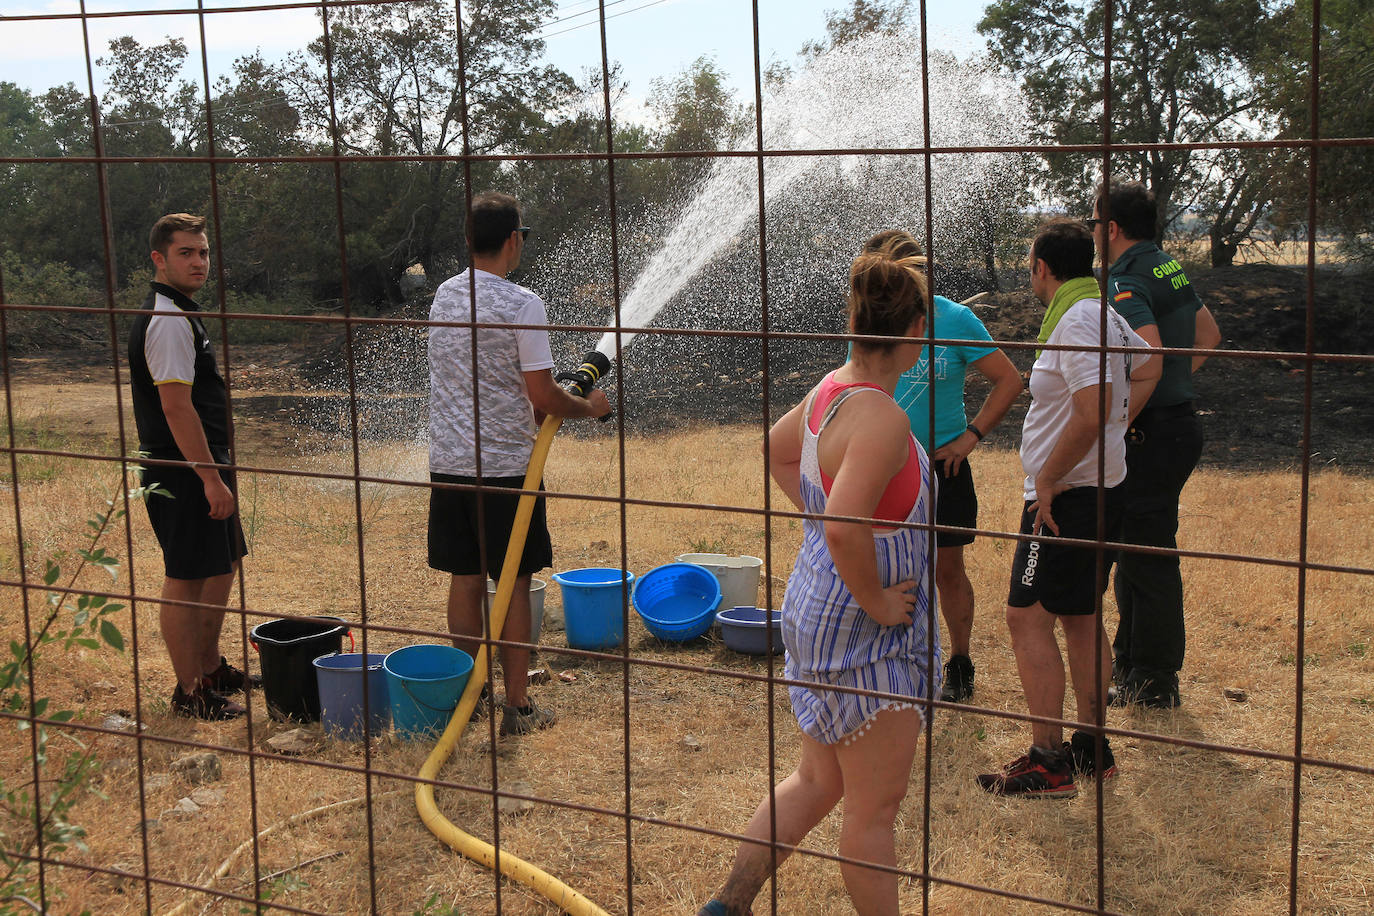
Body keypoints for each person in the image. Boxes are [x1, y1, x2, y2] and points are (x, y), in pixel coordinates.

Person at [700, 252, 938, 916]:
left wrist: (824, 526)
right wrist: (877, 600)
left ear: (855, 322)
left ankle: (727, 907)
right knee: (874, 815)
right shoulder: (883, 420)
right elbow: (841, 527)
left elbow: (779, 452)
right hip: (863, 635)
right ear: (915, 331)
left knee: (814, 781)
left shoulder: (830, 388)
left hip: (813, 612)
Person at [976, 219, 1158, 799]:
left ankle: (1048, 762)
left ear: (1042, 268)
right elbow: (1149, 365)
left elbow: (1093, 406)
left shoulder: (1078, 319)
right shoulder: (1105, 314)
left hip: (1067, 496)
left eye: (1030, 267)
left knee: (1026, 617)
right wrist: (1114, 431)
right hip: (1099, 488)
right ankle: (1091, 749)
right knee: (1080, 618)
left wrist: (1051, 476)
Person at [427, 191, 610, 738]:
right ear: (513, 240)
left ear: (469, 239)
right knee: (512, 580)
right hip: (507, 470)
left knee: (465, 577)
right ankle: (517, 705)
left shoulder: (445, 295)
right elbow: (543, 395)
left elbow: (485, 380)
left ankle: (467, 694)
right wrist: (590, 407)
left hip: (450, 464)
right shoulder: (522, 303)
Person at [865, 230, 1022, 703]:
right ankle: (889, 659)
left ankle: (959, 661)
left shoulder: (955, 318)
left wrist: (970, 438)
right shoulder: (870, 321)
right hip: (883, 466)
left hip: (941, 467)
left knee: (947, 569)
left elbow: (1009, 380)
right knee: (883, 564)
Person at [1091, 182, 1222, 708]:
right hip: (1177, 424)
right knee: (1140, 550)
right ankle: (1133, 668)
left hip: (1149, 432)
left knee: (1146, 558)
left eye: (1094, 223)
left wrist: (1125, 413)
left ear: (1111, 229)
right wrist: (1174, 385)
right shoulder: (1167, 265)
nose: (1093, 234)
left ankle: (1154, 681)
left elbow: (1149, 352)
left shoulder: (1124, 279)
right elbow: (1208, 335)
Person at [129, 213, 256, 721]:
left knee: (222, 564)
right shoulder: (167, 320)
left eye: (203, 252)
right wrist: (208, 478)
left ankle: (211, 669)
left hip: (205, 465)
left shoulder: (182, 312)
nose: (199, 261)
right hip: (182, 471)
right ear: (159, 259)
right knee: (186, 578)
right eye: (186, 253)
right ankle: (190, 693)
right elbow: (176, 408)